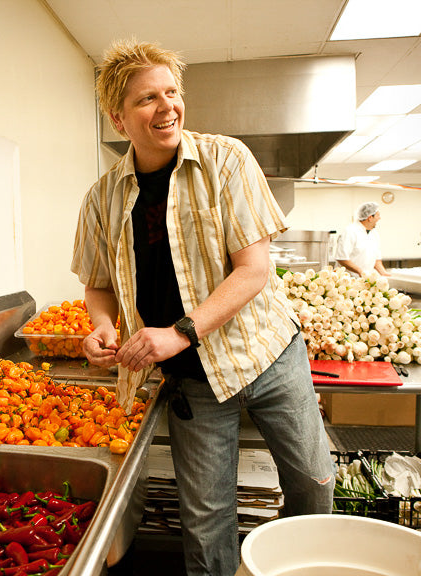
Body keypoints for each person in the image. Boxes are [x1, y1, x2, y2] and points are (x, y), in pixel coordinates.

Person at [71, 39, 334, 576]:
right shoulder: (101, 199)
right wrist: (101, 325)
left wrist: (180, 331)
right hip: (191, 381)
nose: (166, 107)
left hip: (267, 355)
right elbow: (98, 285)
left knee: (312, 478)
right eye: (147, 99)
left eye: (171, 92)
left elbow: (254, 269)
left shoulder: (226, 160)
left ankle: (312, 564)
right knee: (207, 518)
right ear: (119, 119)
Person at [335, 202, 390, 277]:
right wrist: (360, 271)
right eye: (378, 215)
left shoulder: (374, 234)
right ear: (370, 218)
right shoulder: (350, 231)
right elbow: (342, 258)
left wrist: (384, 273)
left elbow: (377, 260)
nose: (379, 218)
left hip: (365, 280)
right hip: (348, 280)